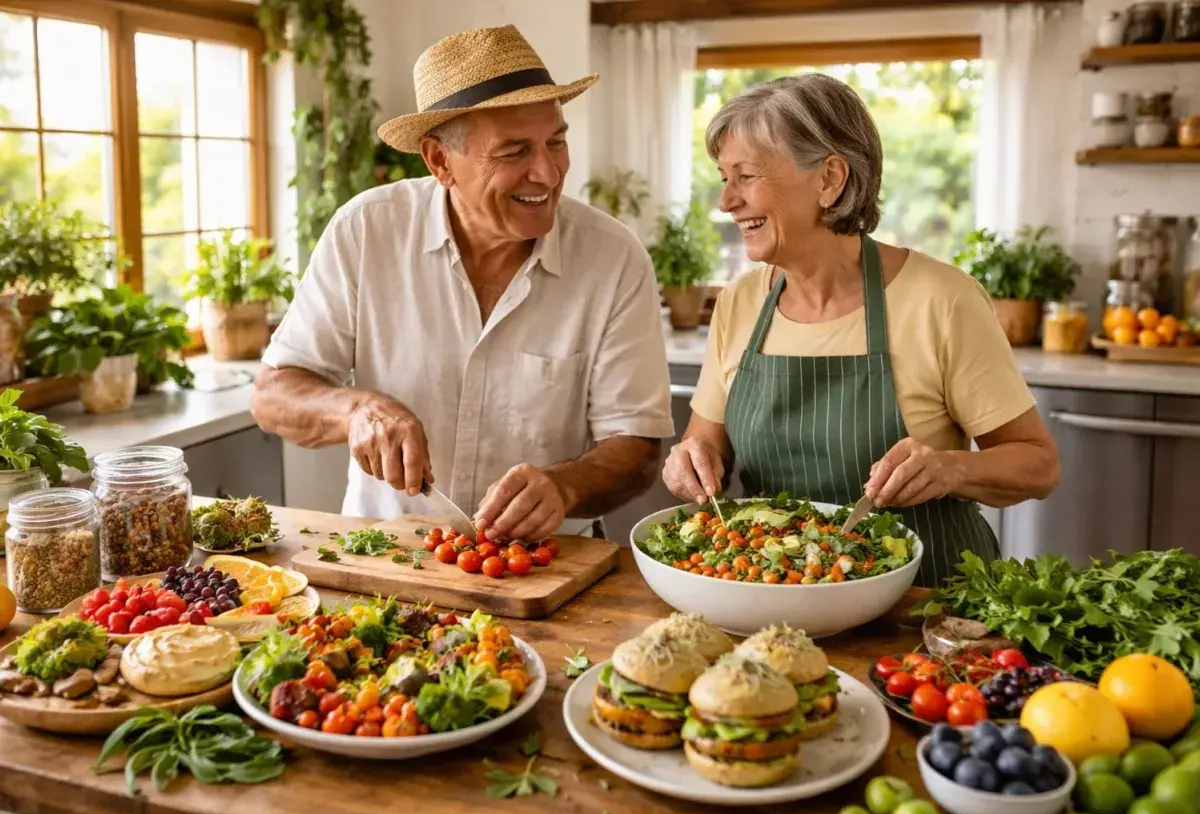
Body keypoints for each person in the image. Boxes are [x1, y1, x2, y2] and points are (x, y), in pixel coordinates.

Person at [252, 25, 673, 543]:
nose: (547, 172)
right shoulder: (366, 229)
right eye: (514, 151)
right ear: (439, 161)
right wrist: (355, 410)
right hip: (387, 553)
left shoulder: (614, 257)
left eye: (556, 143)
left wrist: (564, 487)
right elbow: (273, 396)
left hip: (543, 567)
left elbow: (636, 447)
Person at [663, 75, 1060, 585]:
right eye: (723, 176)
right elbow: (706, 445)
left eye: (746, 176)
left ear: (830, 179)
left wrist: (952, 469)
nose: (726, 201)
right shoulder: (740, 302)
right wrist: (691, 461)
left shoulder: (942, 299)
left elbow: (1039, 465)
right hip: (774, 599)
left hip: (926, 606)